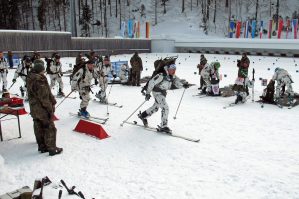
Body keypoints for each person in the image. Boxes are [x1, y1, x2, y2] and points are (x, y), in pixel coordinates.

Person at [138, 63, 190, 133]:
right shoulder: (161, 75)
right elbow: (151, 83)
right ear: (168, 69)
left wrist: (183, 85)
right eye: (172, 69)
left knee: (155, 108)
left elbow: (178, 83)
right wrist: (147, 93)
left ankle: (143, 116)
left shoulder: (173, 76)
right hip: (157, 93)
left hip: (162, 93)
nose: (173, 71)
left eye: (174, 70)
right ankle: (164, 126)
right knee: (165, 108)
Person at [26, 59, 63, 156]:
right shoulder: (39, 80)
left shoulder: (30, 76)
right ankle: (51, 148)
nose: (44, 72)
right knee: (50, 127)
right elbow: (44, 97)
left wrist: (52, 100)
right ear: (40, 70)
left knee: (38, 126)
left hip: (34, 108)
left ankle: (42, 147)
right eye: (43, 71)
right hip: (41, 109)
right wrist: (49, 109)